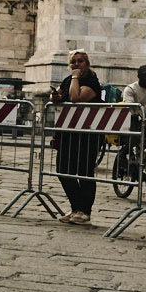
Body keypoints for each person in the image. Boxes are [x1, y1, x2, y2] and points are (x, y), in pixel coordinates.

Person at [51, 50, 105, 224]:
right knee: (63, 169)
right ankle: (75, 207)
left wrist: (75, 77)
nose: (76, 64)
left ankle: (84, 211)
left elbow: (76, 98)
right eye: (73, 61)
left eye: (80, 61)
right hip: (68, 133)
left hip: (87, 135)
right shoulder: (68, 80)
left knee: (84, 172)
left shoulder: (91, 81)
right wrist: (55, 97)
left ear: (87, 63)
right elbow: (58, 95)